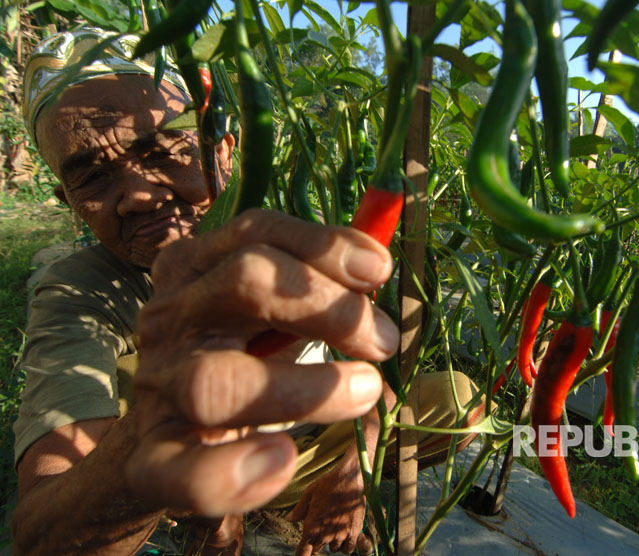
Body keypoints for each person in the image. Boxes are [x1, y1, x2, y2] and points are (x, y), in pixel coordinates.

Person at [11, 29, 483, 556]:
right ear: (66, 199)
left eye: (163, 150)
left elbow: (377, 376)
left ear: (224, 151)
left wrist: (356, 464)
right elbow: (41, 537)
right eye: (93, 177)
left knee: (461, 402)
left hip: (307, 445)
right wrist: (154, 448)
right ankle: (204, 508)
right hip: (179, 483)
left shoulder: (302, 233)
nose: (138, 196)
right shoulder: (81, 291)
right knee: (136, 375)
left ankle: (284, 496)